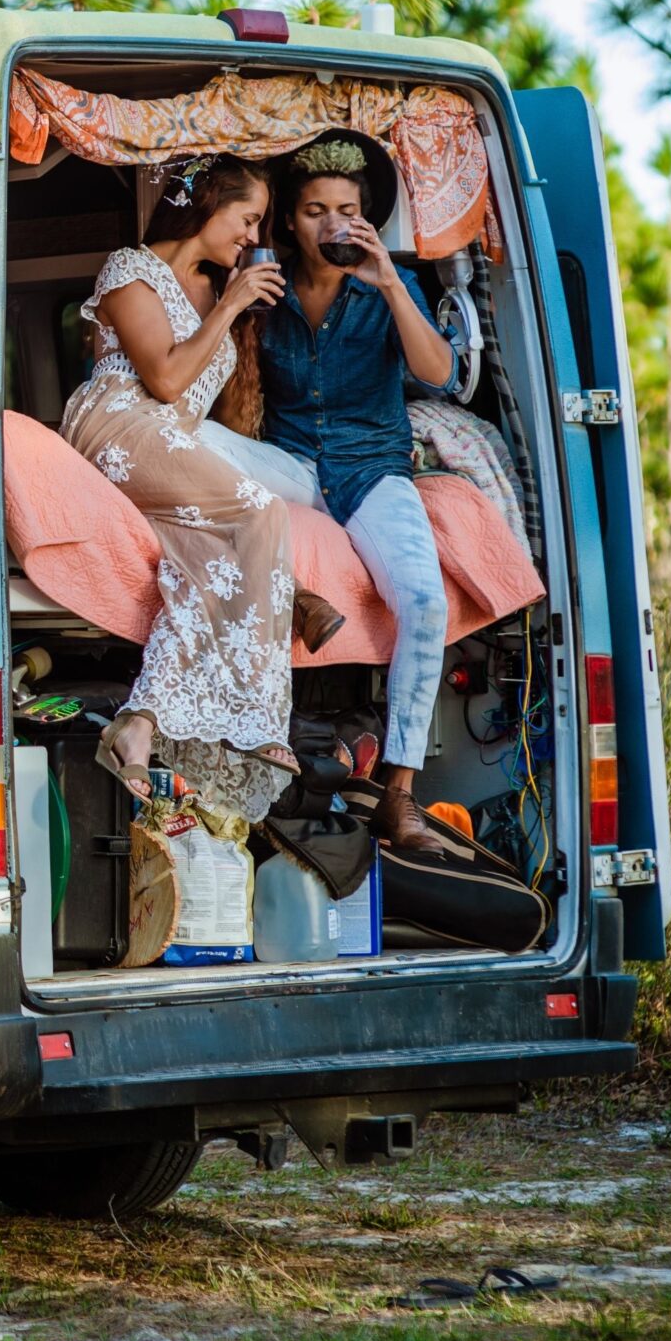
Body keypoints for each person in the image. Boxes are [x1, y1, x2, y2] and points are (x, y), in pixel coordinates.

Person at [61, 155, 333, 820]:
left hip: (168, 441)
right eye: (246, 218)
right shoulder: (131, 270)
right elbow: (164, 379)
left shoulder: (212, 295)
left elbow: (196, 404)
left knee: (208, 569)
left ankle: (141, 721)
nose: (250, 234)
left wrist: (236, 305)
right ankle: (261, 717)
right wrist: (235, 301)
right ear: (207, 203)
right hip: (119, 424)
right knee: (262, 511)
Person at [252, 132, 462, 854]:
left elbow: (436, 372)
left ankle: (398, 796)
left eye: (346, 209)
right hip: (292, 465)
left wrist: (392, 281)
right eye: (314, 210)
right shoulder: (265, 287)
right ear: (288, 219)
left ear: (365, 218)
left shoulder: (384, 289)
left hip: (372, 470)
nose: (331, 224)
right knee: (204, 454)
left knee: (425, 601)